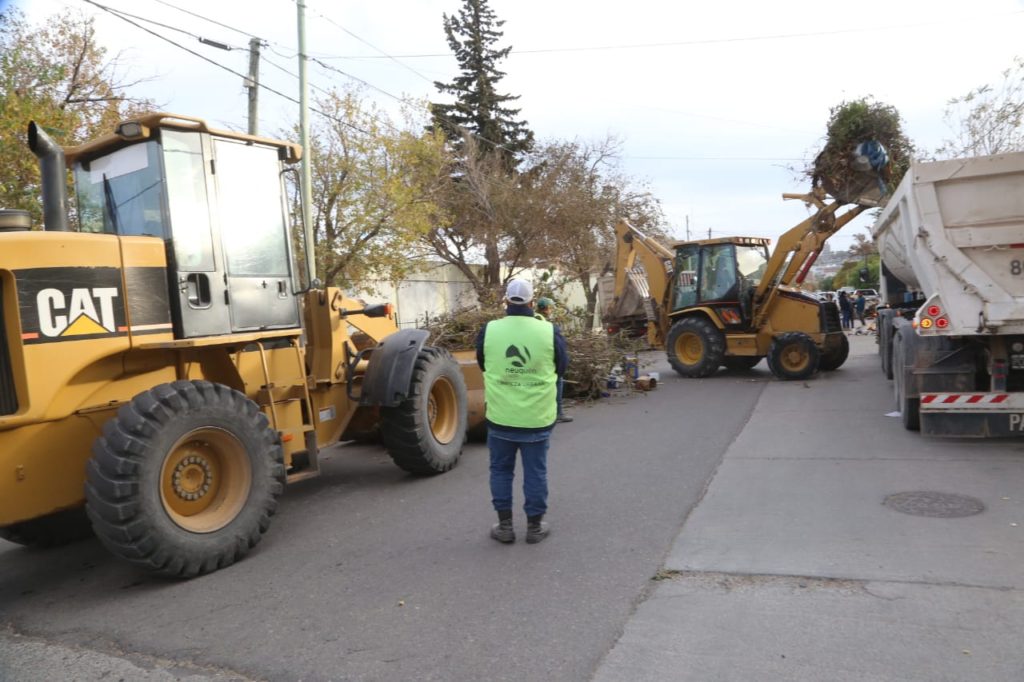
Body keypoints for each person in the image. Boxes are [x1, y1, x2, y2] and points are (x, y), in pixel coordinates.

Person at [476, 279, 569, 545]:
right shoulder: (549, 330)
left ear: (506, 300)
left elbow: (484, 363)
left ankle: (505, 527)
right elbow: (562, 367)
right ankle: (535, 528)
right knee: (535, 471)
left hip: (501, 416)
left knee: (501, 471)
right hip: (537, 418)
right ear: (532, 301)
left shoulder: (490, 330)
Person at [534, 297, 573, 423]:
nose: (551, 311)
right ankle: (558, 412)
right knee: (558, 381)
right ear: (547, 308)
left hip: (534, 360)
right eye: (550, 308)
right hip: (544, 360)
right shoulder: (545, 323)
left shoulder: (533, 318)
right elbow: (558, 349)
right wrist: (560, 369)